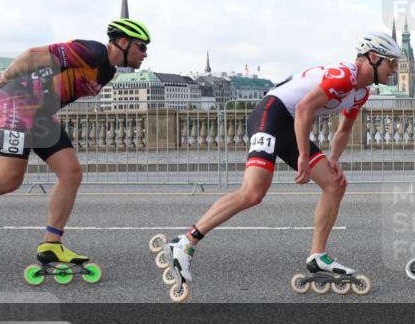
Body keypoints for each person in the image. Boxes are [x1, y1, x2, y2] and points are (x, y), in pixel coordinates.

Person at [155, 31, 401, 301]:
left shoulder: (361, 92)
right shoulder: (346, 76)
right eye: (393, 63)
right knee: (253, 192)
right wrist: (304, 158)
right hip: (271, 114)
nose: (395, 70)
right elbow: (306, 107)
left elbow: (344, 130)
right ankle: (186, 242)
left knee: (335, 184)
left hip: (291, 123)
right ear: (374, 58)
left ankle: (317, 256)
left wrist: (333, 160)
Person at [0, 19, 151, 279]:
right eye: (141, 46)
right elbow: (32, 56)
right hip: (16, 105)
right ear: (124, 42)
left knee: (71, 173)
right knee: (7, 179)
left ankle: (51, 244)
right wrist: (6, 76)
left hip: (40, 117)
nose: (145, 53)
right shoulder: (91, 52)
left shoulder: (107, 72)